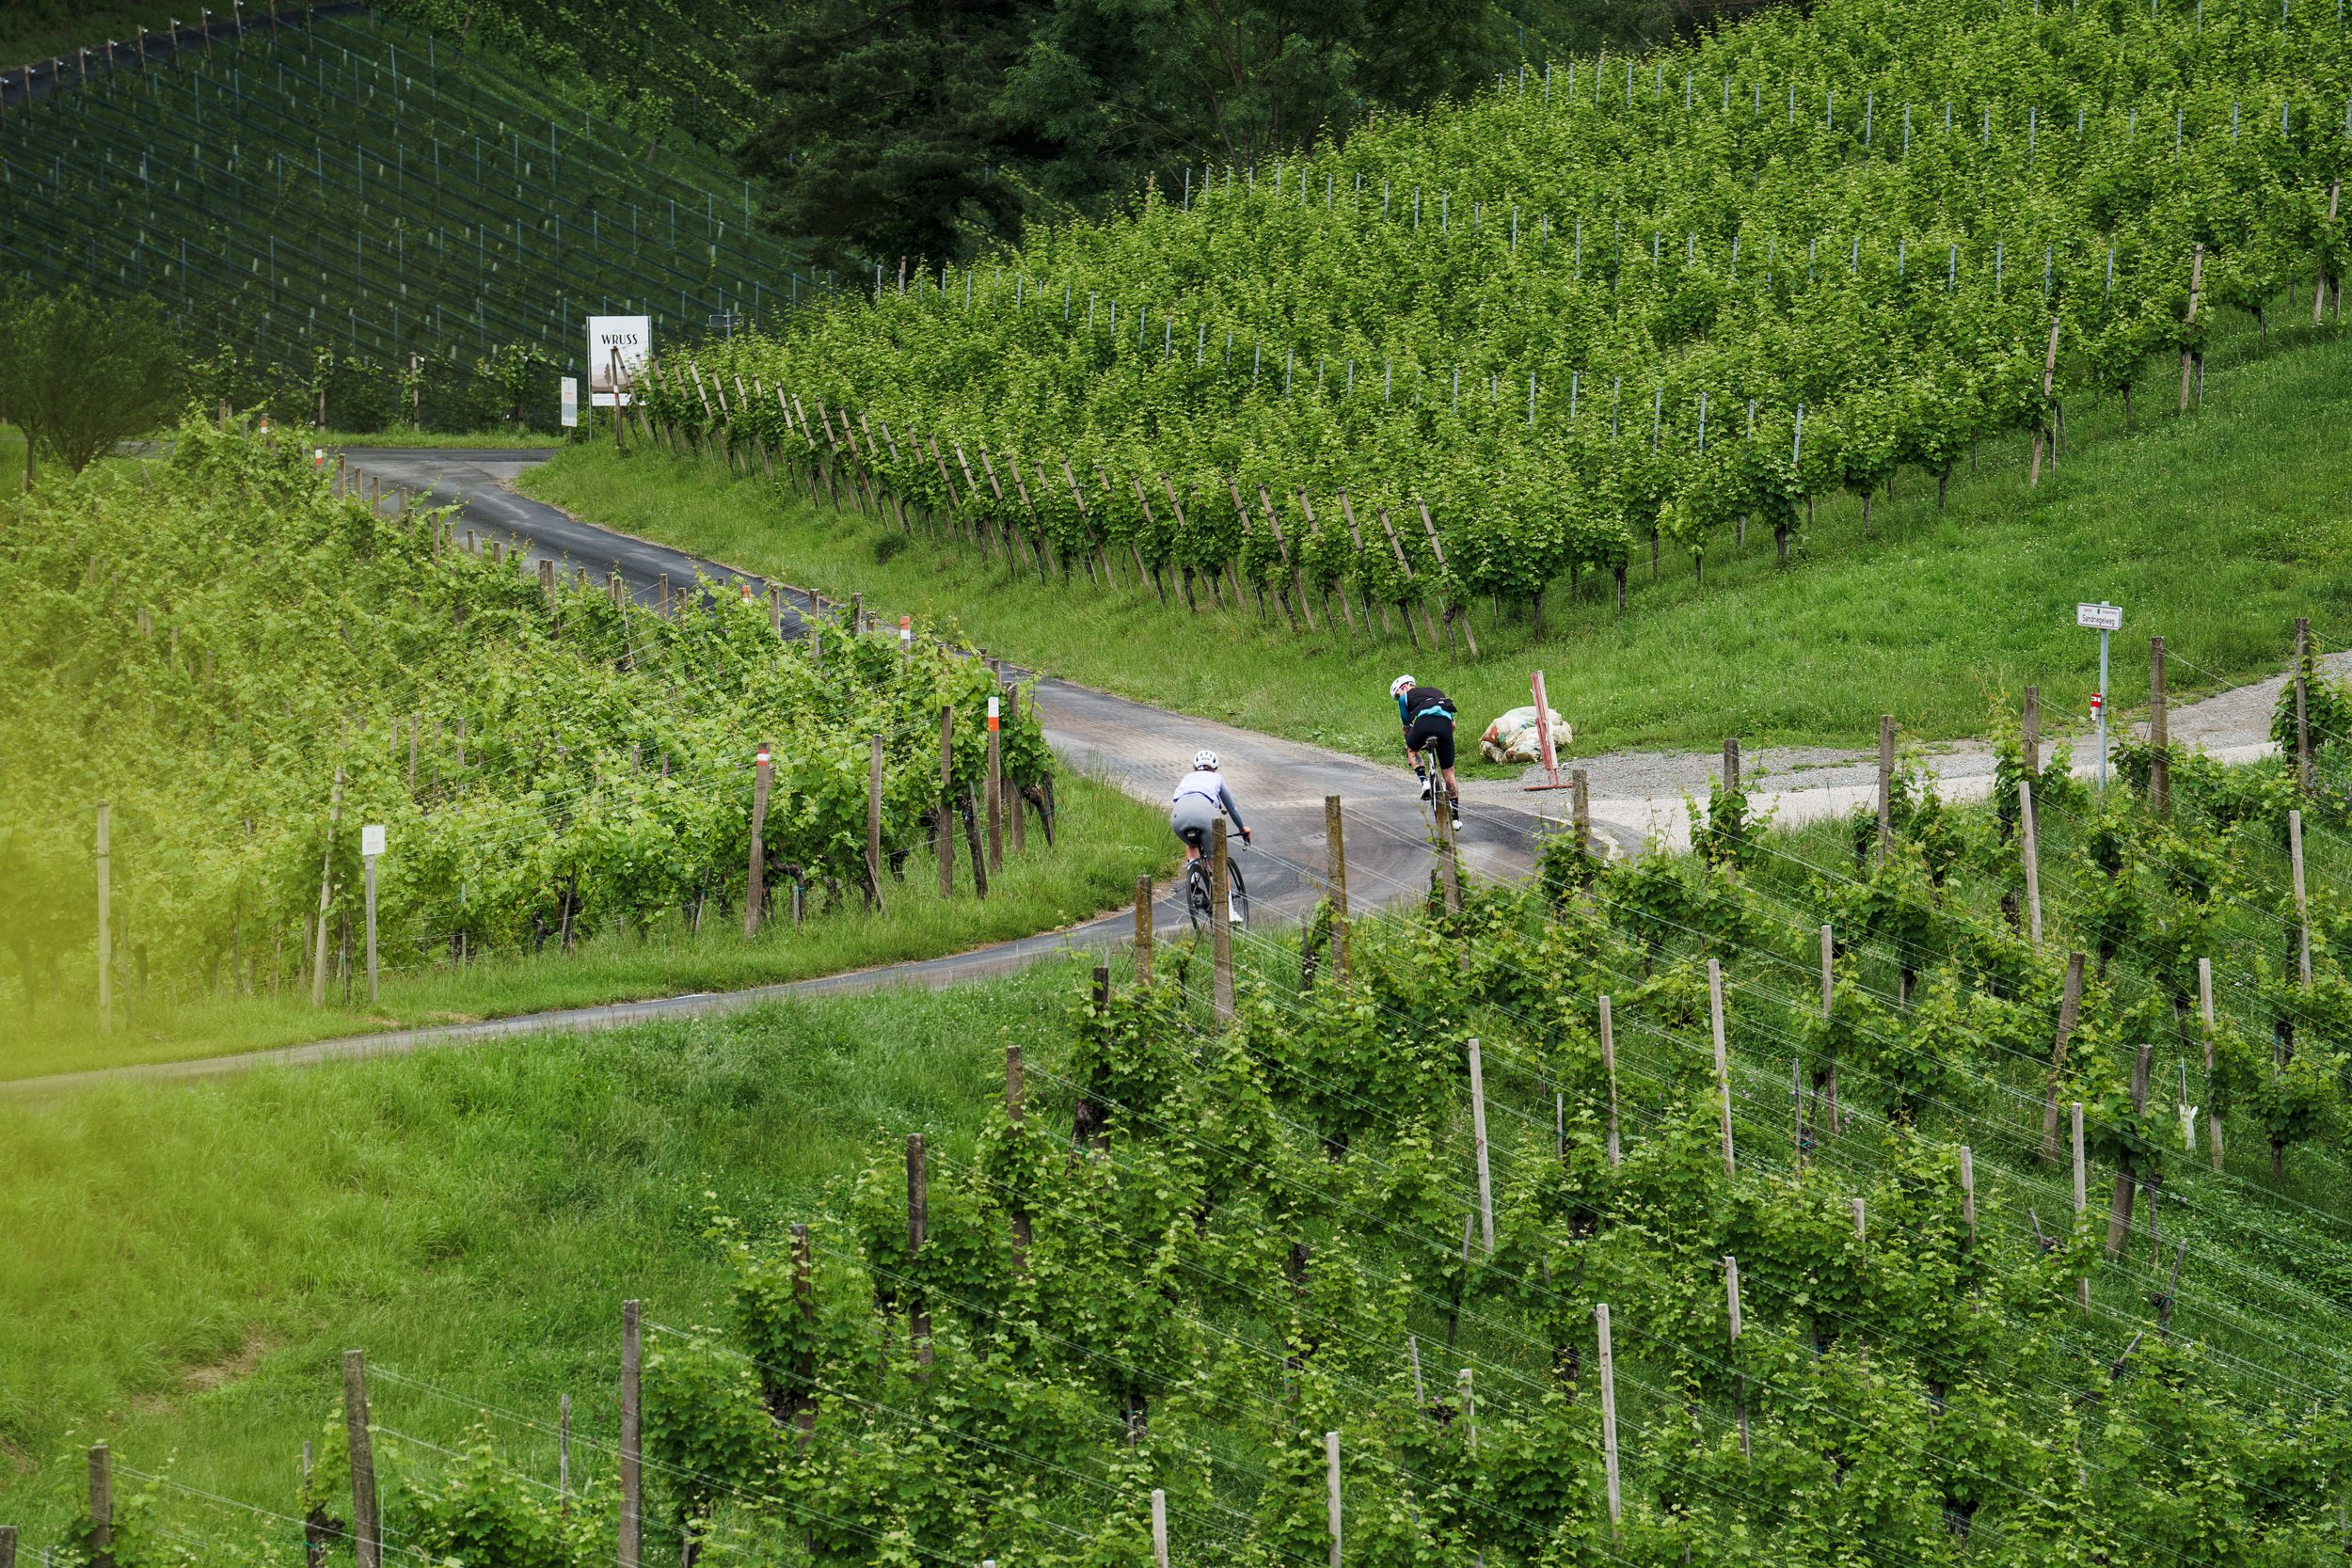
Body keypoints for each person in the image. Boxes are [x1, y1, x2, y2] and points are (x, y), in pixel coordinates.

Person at [1392, 674, 1461, 832]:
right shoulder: (1437, 692)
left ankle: (1424, 781)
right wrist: (1446, 740)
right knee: (1449, 772)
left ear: (1403, 687)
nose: (1399, 697)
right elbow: (1453, 725)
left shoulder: (1405, 697)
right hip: (1444, 726)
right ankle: (1456, 818)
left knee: (1411, 749)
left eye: (1397, 694)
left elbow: (1407, 726)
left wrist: (1410, 743)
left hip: (1423, 723)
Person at [1170, 749, 1250, 863]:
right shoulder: (1217, 778)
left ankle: (1192, 870)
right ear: (1215, 767)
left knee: (1192, 845)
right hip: (1202, 816)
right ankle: (1212, 869)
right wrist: (1242, 829)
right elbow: (1232, 809)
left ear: (1195, 767)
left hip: (1177, 818)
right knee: (1214, 862)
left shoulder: (1187, 777)